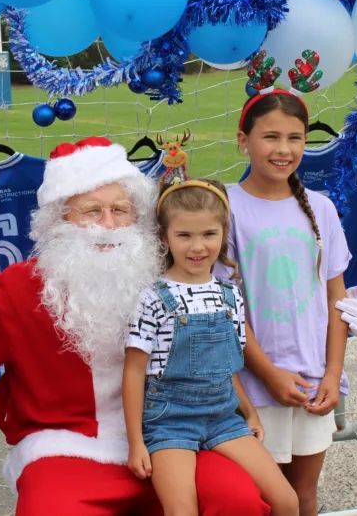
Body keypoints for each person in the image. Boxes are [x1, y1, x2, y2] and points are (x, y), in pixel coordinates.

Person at [0, 136, 357, 515]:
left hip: (178, 436)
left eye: (121, 209)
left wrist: (336, 307)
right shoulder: (12, 291)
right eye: (90, 210)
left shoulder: (166, 272)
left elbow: (244, 301)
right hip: (66, 446)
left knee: (240, 500)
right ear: (58, 220)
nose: (108, 224)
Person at [220, 90, 357, 516]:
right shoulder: (225, 208)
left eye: (295, 138)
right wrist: (267, 374)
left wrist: (333, 375)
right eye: (270, 137)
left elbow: (336, 298)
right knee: (261, 499)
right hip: (253, 388)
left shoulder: (320, 210)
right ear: (243, 140)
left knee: (303, 497)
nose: (283, 150)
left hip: (312, 385)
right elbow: (221, 311)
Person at [124, 169, 298, 516]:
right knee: (181, 511)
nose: (198, 246)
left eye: (209, 234)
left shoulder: (230, 294)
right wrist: (136, 443)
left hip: (223, 417)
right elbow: (133, 372)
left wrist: (249, 412)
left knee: (287, 501)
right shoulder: (153, 298)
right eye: (184, 235)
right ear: (165, 236)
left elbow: (226, 362)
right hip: (169, 421)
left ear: (223, 234)